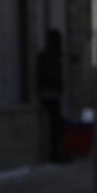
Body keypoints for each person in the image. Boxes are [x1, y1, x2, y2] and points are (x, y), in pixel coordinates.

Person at [36, 30, 66, 162]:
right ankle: (54, 153)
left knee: (54, 125)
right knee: (55, 125)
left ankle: (55, 152)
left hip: (47, 93)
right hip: (51, 94)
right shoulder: (51, 56)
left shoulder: (47, 55)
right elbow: (51, 75)